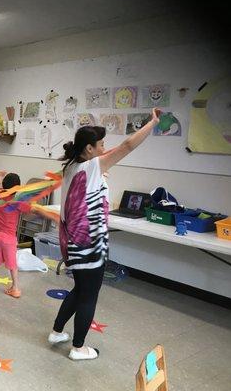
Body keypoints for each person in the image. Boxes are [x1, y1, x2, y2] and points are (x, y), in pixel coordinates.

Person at [48, 108, 161, 361]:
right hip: (89, 244)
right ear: (89, 149)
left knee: (79, 290)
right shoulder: (92, 165)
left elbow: (84, 192)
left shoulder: (72, 166)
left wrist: (100, 178)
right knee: (89, 294)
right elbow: (128, 144)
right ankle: (78, 348)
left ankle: (57, 332)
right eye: (100, 144)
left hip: (74, 241)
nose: (104, 148)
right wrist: (152, 122)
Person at [0, 173, 42, 298]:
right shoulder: (17, 203)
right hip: (9, 239)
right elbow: (32, 211)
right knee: (12, 264)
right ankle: (15, 288)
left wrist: (1, 185)